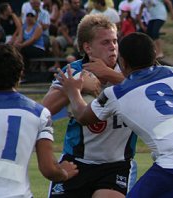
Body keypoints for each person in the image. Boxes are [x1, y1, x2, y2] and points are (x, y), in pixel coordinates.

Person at [54, 32, 173, 198]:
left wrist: (73, 91)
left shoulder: (117, 93)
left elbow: (82, 116)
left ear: (122, 62)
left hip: (171, 168)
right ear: (154, 54)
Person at [0, 44, 79, 198]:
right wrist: (64, 173)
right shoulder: (39, 113)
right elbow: (48, 169)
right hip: (15, 194)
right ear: (21, 73)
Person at [43, 14, 138, 198]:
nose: (113, 47)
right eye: (105, 42)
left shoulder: (128, 69)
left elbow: (146, 87)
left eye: (115, 41)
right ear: (88, 47)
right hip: (76, 163)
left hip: (116, 165)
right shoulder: (74, 71)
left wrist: (109, 74)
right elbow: (44, 110)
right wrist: (76, 86)